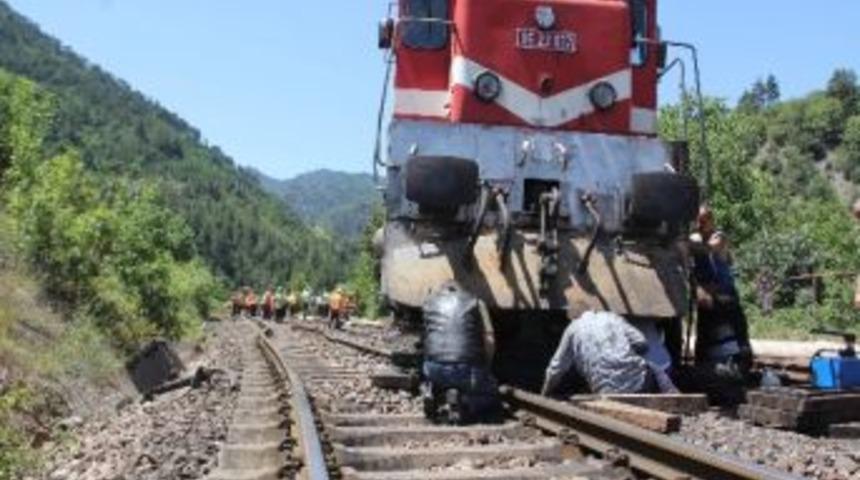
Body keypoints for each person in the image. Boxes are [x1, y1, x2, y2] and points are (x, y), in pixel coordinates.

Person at [689, 206, 753, 404]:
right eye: (698, 221)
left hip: (727, 296)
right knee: (705, 336)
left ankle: (743, 368)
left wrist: (682, 244)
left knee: (739, 335)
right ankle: (704, 373)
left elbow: (711, 248)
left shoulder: (719, 237)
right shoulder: (694, 239)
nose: (701, 225)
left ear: (711, 221)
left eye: (704, 220)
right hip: (708, 297)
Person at [542, 310, 677, 396]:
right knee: (653, 367)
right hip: (639, 386)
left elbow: (555, 368)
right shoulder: (613, 318)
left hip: (604, 391)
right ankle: (674, 396)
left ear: (572, 318)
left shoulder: (572, 329)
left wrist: (545, 393)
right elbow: (642, 342)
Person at [421, 281, 500, 424]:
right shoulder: (476, 302)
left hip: (434, 369)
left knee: (436, 375)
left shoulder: (429, 303)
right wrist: (487, 366)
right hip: (466, 370)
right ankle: (464, 401)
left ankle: (433, 393)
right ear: (462, 290)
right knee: (492, 393)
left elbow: (426, 338)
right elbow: (490, 339)